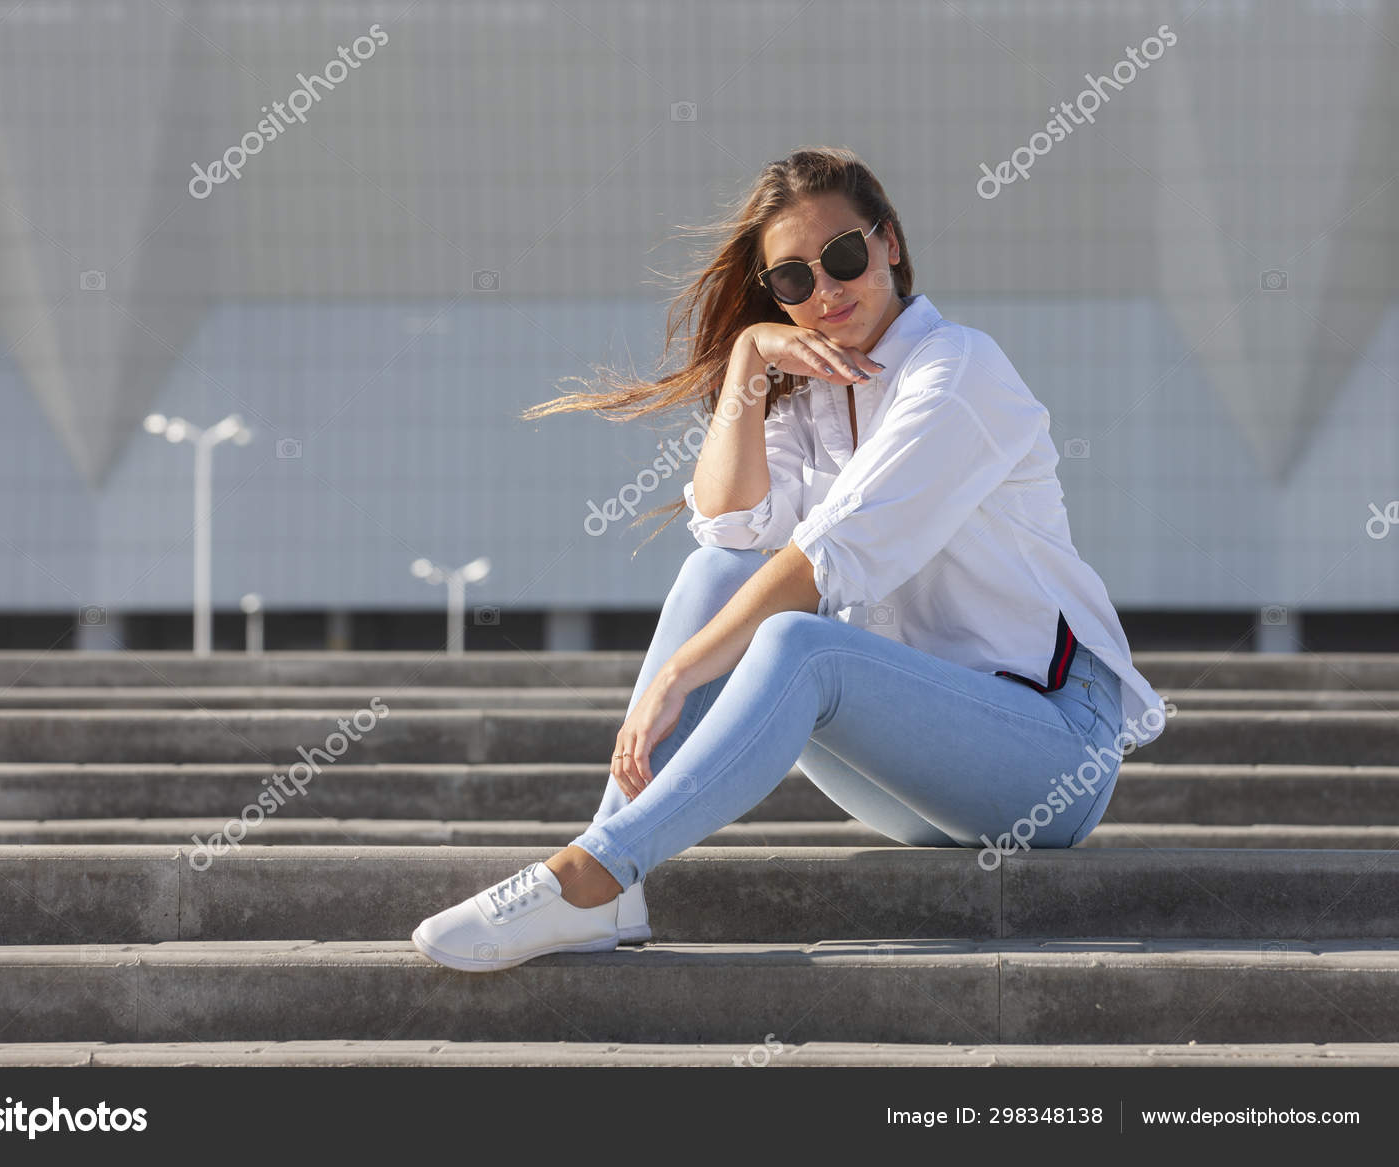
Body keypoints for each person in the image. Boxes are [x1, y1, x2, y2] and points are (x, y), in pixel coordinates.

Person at [411, 145, 1167, 973]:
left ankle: (594, 870)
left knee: (793, 639)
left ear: (891, 244)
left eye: (843, 257)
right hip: (922, 763)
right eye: (793, 281)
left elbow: (829, 558)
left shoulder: (958, 371)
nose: (827, 290)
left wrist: (678, 673)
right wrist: (748, 358)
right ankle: (614, 875)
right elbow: (731, 530)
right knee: (720, 577)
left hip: (1051, 749)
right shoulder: (809, 391)